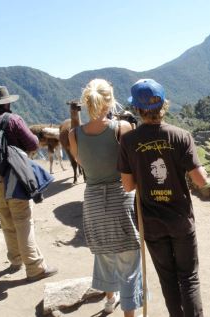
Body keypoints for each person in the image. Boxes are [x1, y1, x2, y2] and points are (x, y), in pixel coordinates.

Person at [119, 79, 208, 317]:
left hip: (151, 223)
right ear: (164, 105)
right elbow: (201, 181)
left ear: (137, 109)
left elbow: (127, 186)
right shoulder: (181, 136)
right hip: (180, 220)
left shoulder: (128, 141)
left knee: (168, 279)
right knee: (188, 277)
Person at [68, 79, 143, 316]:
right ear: (110, 100)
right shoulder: (122, 128)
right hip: (121, 199)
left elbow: (81, 163)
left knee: (104, 255)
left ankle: (110, 300)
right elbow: (132, 164)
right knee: (129, 264)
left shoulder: (74, 134)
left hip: (92, 203)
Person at [0, 86, 58, 281]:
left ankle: (15, 259)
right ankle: (35, 267)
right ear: (7, 102)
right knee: (23, 220)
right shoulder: (13, 120)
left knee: (6, 221)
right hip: (14, 177)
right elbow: (33, 144)